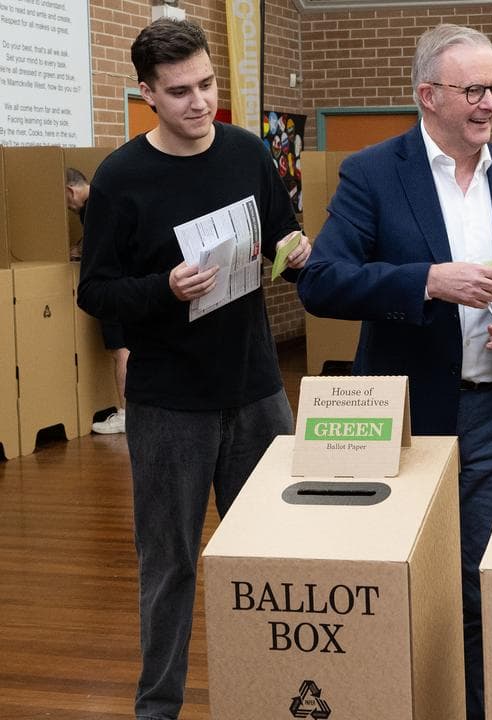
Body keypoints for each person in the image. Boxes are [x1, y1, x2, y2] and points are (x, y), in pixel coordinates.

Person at [296, 23, 492, 720]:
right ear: (428, 96)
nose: (491, 104)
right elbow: (323, 282)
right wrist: (427, 281)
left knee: (484, 586)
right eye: (475, 90)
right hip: (403, 427)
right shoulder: (371, 174)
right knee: (403, 586)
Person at [76, 18, 311, 720]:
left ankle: (279, 698)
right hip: (170, 403)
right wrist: (162, 290)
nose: (200, 102)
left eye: (207, 85)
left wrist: (296, 251)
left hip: (258, 389)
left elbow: (283, 227)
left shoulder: (245, 152)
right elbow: (95, 291)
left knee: (273, 556)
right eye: (180, 92)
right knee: (170, 565)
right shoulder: (120, 179)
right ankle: (159, 707)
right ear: (148, 93)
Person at [67, 166, 131, 434]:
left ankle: (126, 414)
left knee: (121, 350)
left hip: (112, 286)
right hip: (131, 283)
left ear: (70, 191)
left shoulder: (89, 209)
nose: (68, 208)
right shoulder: (110, 196)